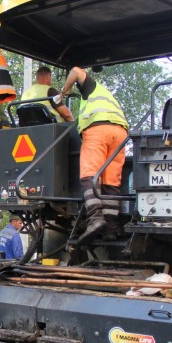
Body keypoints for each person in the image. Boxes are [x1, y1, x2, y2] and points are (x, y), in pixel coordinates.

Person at [59, 66, 129, 243]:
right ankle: (111, 227)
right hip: (120, 134)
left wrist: (64, 91)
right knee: (111, 181)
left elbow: (75, 70)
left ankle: (96, 219)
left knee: (89, 175)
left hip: (98, 130)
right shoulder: (109, 98)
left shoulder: (92, 87)